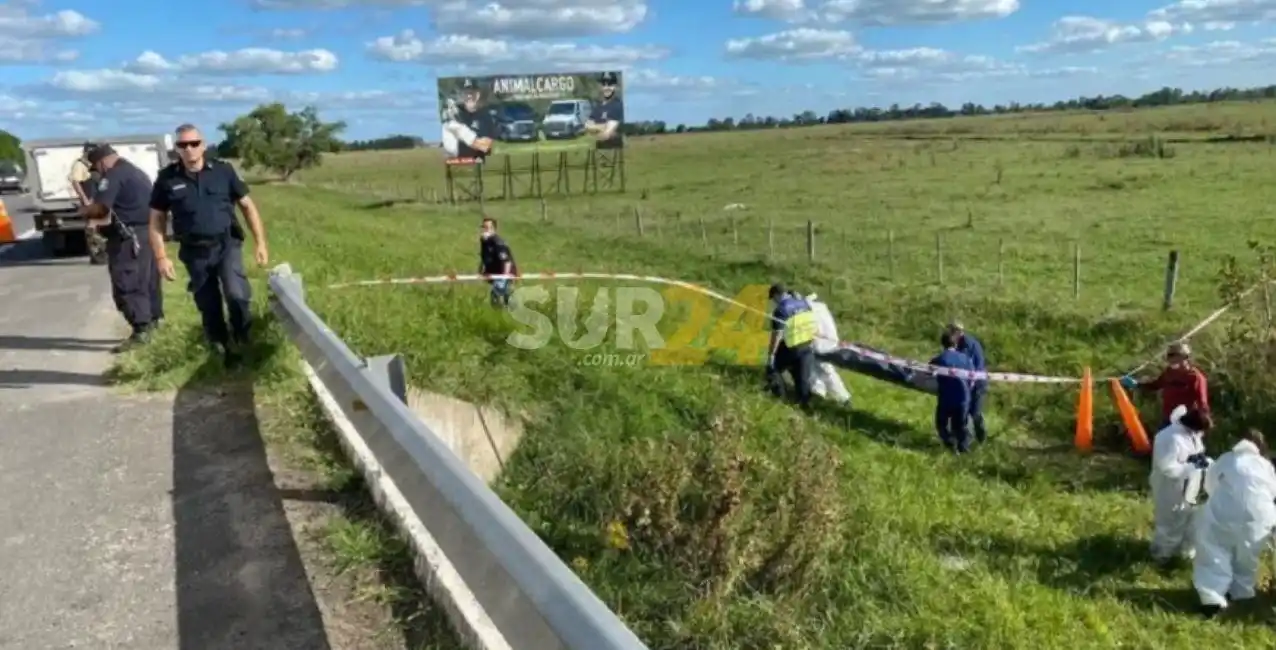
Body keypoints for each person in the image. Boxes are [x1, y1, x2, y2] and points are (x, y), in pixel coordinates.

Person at [147, 124, 268, 368]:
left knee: (236, 294)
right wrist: (161, 257)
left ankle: (243, 338)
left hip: (226, 244)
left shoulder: (223, 171)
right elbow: (156, 220)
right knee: (209, 303)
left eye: (194, 144)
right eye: (183, 145)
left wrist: (260, 243)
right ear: (176, 149)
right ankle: (221, 349)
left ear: (203, 145)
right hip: (194, 251)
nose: (189, 149)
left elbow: (247, 207)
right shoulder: (167, 178)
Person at [81, 144, 162, 352]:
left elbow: (101, 209)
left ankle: (142, 330)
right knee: (148, 281)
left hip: (129, 238)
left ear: (101, 162)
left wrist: (85, 211)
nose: (97, 172)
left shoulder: (113, 176)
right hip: (148, 233)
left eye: (96, 168)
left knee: (127, 281)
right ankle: (153, 323)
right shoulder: (136, 172)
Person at [1193, 428, 1276, 618]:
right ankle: (1242, 592)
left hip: (1225, 512)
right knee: (1248, 552)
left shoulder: (1227, 459)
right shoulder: (1265, 464)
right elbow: (1272, 490)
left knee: (1214, 549)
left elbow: (1210, 484)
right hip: (1260, 515)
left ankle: (1212, 598)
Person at [1148, 405, 1212, 566]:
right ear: (1191, 424)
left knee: (1191, 519)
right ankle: (1162, 556)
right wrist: (1191, 466)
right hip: (1170, 486)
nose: (1200, 434)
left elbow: (1196, 452)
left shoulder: (1192, 433)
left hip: (1191, 485)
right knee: (1170, 522)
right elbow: (1166, 467)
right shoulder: (1169, 437)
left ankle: (1184, 554)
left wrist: (1205, 462)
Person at [1121, 342, 1209, 427]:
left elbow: (1202, 401)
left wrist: (1204, 419)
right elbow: (1155, 385)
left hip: (1186, 421)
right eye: (1169, 356)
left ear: (1185, 357)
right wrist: (1137, 384)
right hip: (1168, 419)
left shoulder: (1196, 377)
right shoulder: (1169, 372)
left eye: (1174, 356)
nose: (1171, 359)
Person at [766, 284, 818, 409]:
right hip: (807, 346)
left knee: (773, 369)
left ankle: (778, 397)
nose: (774, 302)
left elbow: (777, 335)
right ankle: (805, 406)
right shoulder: (804, 303)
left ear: (777, 295)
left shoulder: (781, 310)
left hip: (791, 348)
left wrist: (771, 355)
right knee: (802, 379)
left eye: (773, 299)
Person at [804, 292, 851, 405]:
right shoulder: (822, 308)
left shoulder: (810, 312)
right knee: (816, 368)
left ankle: (843, 398)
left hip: (821, 345)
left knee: (826, 370)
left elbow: (813, 330)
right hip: (830, 343)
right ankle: (818, 392)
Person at [931, 332, 974, 454]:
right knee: (960, 426)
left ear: (943, 344)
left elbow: (928, 371)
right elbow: (973, 377)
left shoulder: (940, 359)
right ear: (956, 344)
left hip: (946, 398)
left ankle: (950, 444)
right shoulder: (965, 358)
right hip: (963, 398)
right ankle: (964, 449)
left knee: (941, 424)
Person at [946, 322, 988, 443]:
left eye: (951, 332)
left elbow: (968, 365)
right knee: (963, 411)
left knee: (974, 412)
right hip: (967, 381)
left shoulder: (967, 345)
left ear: (957, 332)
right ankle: (963, 440)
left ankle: (980, 438)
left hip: (977, 382)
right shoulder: (958, 343)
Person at [69, 143, 108, 265]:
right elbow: (76, 182)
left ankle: (103, 253)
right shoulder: (80, 164)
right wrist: (85, 199)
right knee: (92, 228)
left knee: (103, 226)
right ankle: (97, 255)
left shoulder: (97, 164)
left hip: (99, 199)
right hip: (90, 200)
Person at [441, 77, 496, 163]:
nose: (469, 96)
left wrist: (463, 133)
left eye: (472, 92)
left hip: (478, 163)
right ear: (462, 95)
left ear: (478, 94)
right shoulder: (455, 114)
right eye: (466, 93)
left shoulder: (486, 116)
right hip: (457, 162)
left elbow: (486, 146)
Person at [479, 217, 516, 308]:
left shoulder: (497, 242)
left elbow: (506, 261)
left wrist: (504, 276)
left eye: (487, 227)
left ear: (493, 229)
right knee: (500, 295)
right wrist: (481, 267)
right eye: (483, 227)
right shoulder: (485, 241)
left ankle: (509, 312)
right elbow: (485, 255)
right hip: (495, 273)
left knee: (498, 295)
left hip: (503, 273)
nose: (484, 230)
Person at [585, 71, 624, 150]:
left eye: (610, 84)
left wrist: (594, 128)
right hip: (598, 150)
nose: (606, 87)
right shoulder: (598, 107)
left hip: (614, 151)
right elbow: (587, 127)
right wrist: (604, 126)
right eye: (604, 84)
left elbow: (606, 135)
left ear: (615, 86)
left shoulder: (618, 106)